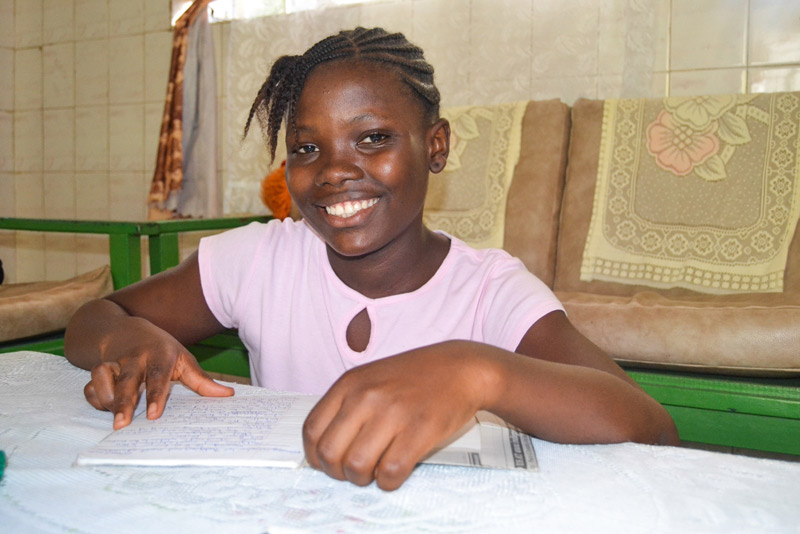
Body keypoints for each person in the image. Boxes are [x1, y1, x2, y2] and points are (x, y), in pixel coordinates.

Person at [64, 27, 678, 491]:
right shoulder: (258, 260)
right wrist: (130, 338)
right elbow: (93, 318)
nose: (334, 170)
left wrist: (476, 371)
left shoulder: (489, 289)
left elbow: (649, 424)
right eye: (307, 147)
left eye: (373, 138)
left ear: (435, 147)